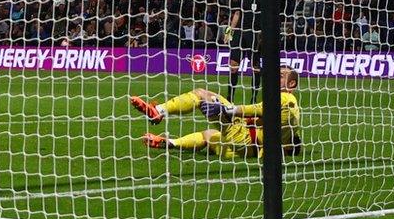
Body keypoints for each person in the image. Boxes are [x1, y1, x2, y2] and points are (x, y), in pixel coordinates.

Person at [129, 66, 302, 159]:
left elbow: (257, 109)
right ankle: (170, 143)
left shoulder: (286, 98)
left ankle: (157, 111)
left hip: (243, 136)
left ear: (292, 84)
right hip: (247, 152)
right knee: (209, 135)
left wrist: (228, 110)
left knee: (200, 94)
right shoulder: (292, 108)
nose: (274, 77)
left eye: (279, 76)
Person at [225, 0, 261, 105]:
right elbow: (237, 13)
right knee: (233, 65)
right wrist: (230, 31)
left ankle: (253, 98)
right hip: (240, 32)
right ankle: (230, 97)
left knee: (255, 66)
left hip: (255, 33)